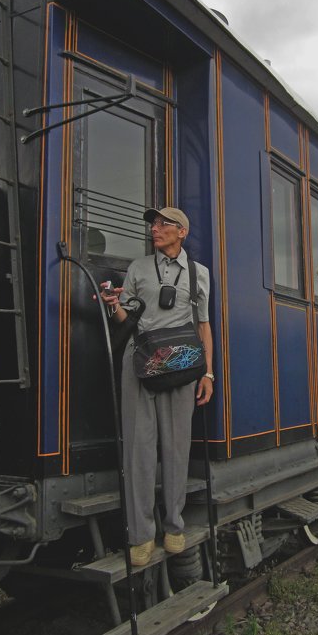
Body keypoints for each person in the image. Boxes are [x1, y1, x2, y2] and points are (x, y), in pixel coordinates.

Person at [101, 207, 214, 566]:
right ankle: (141, 534)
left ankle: (174, 526)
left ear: (181, 231)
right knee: (139, 449)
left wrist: (208, 373)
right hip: (139, 362)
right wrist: (113, 305)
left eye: (163, 223)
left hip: (181, 365)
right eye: (153, 223)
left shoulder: (200, 274)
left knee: (177, 448)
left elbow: (204, 326)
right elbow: (127, 321)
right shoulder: (137, 268)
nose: (155, 228)